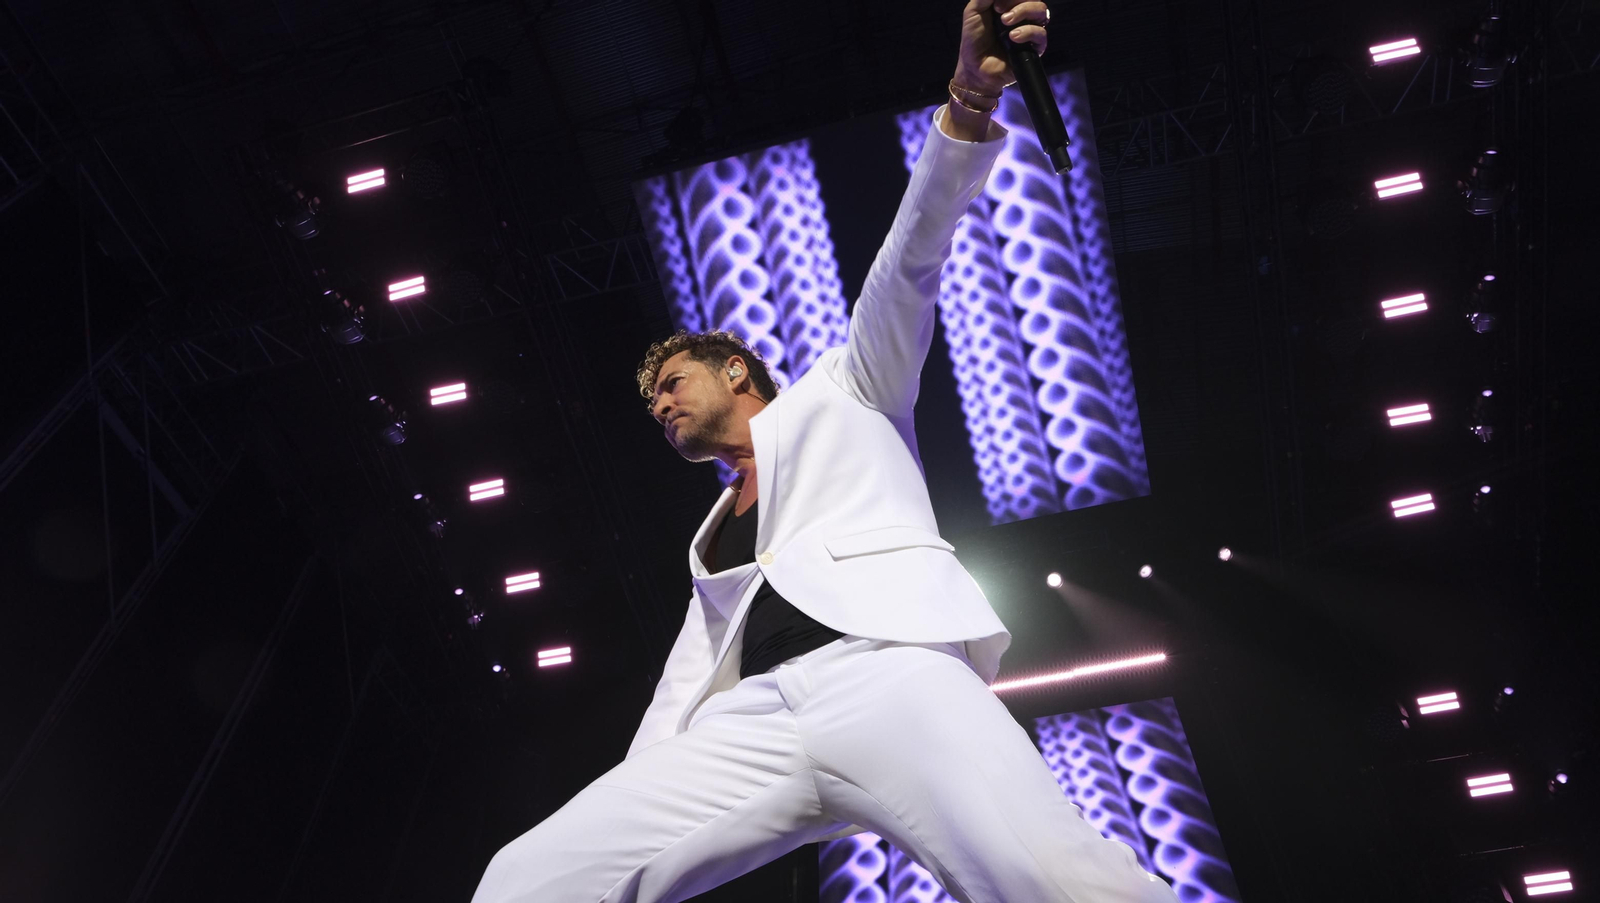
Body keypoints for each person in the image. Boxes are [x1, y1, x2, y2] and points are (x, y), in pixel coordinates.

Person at [471, 2, 1179, 900]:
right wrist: (637, 781)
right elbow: (678, 688)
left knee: (1045, 876)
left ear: (736, 370)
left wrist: (964, 105)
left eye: (671, 384)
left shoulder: (847, 389)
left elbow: (907, 263)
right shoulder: (715, 537)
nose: (658, 405)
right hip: (756, 725)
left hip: (890, 669)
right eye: (650, 403)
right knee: (527, 876)